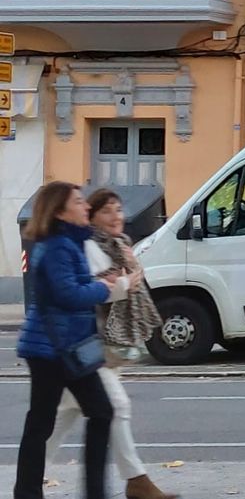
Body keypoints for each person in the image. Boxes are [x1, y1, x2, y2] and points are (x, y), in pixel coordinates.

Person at [44, 190, 174, 499]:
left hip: (100, 348)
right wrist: (123, 284)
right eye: (107, 211)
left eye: (118, 209)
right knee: (116, 406)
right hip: (87, 346)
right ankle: (137, 481)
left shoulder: (120, 247)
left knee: (59, 420)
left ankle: (29, 482)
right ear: (91, 217)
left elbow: (125, 291)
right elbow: (87, 294)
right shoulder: (87, 247)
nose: (116, 216)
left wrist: (128, 275)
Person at [14, 182, 132, 499]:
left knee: (98, 412)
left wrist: (101, 282)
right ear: (60, 210)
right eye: (79, 202)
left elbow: (74, 285)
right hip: (51, 349)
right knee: (43, 422)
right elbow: (68, 295)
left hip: (70, 346)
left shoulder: (70, 243)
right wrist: (108, 288)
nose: (85, 207)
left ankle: (91, 491)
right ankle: (29, 492)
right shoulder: (56, 246)